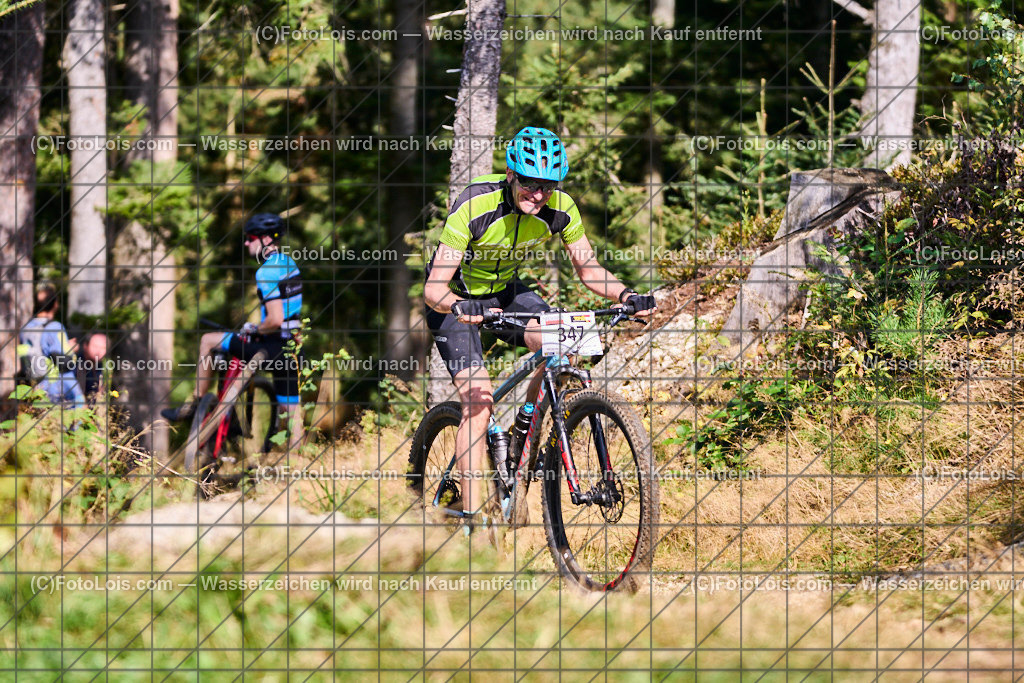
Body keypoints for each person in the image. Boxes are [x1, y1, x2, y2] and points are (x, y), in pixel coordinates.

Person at [423, 126, 656, 527]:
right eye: (530, 184)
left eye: (547, 187)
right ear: (511, 176)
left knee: (561, 342)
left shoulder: (561, 208)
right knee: (478, 403)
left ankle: (522, 433)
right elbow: (433, 288)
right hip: (456, 300)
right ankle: (472, 521)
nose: (538, 195)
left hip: (506, 292)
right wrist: (461, 304)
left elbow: (588, 268)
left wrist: (625, 296)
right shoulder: (475, 204)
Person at [161, 213, 305, 450]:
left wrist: (254, 327)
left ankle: (195, 403)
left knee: (208, 340)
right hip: (290, 349)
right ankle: (299, 465)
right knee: (291, 409)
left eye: (250, 238)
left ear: (266, 239)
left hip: (268, 347)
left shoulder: (265, 272)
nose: (247, 243)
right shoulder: (289, 263)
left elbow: (275, 319)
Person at [17, 284, 86, 408]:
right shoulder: (54, 327)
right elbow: (65, 362)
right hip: (62, 387)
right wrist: (72, 348)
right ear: (55, 304)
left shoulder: (26, 328)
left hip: (39, 386)